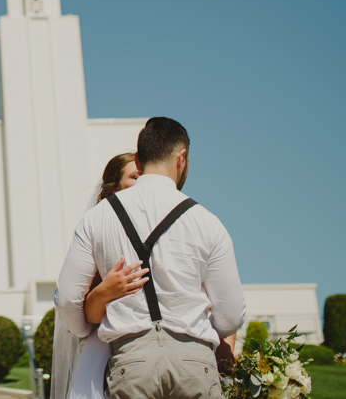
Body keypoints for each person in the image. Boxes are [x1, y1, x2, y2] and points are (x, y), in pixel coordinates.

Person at [56, 117, 246, 399]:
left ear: (139, 158)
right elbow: (230, 314)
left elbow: (67, 298)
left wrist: (86, 328)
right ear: (181, 158)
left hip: (131, 360)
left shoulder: (98, 217)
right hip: (195, 363)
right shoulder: (207, 221)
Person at [50, 153, 148, 399]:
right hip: (110, 352)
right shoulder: (101, 231)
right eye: (135, 177)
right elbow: (87, 314)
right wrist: (105, 291)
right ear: (114, 189)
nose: (144, 184)